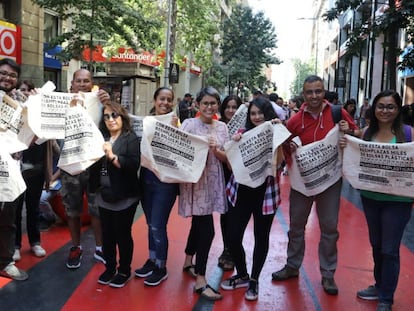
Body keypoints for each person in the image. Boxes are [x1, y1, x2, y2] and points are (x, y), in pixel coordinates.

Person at [271, 75, 358, 295]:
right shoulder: (296, 119)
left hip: (330, 181)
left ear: (324, 91)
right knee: (296, 226)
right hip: (303, 182)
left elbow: (357, 134)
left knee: (329, 228)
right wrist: (282, 136)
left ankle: (328, 274)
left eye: (318, 91)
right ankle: (292, 266)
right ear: (304, 94)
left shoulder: (338, 112)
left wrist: (348, 132)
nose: (314, 96)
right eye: (309, 92)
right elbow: (284, 140)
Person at [340, 90, 413, 311]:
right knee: (377, 245)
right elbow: (355, 156)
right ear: (374, 108)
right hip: (370, 198)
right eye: (381, 106)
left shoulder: (409, 134)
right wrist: (346, 145)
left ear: (398, 109)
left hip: (398, 202)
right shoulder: (365, 134)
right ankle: (379, 285)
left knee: (390, 249)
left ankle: (386, 298)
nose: (385, 111)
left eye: (390, 106)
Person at [220, 96, 283, 301]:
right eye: (253, 113)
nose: (256, 117)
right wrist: (235, 146)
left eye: (260, 113)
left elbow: (280, 164)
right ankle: (243, 274)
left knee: (261, 237)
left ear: (268, 114)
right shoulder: (241, 133)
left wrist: (278, 137)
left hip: (265, 194)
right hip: (241, 193)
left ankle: (254, 279)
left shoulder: (276, 131)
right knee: (232, 236)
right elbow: (230, 166)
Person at [180, 87, 229, 301]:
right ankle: (200, 279)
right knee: (206, 229)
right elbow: (180, 150)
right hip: (194, 182)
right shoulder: (189, 124)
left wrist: (216, 149)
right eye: (205, 103)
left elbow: (226, 158)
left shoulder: (222, 128)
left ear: (218, 105)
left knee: (198, 225)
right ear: (198, 105)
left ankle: (187, 261)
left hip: (213, 182)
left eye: (213, 103)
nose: (209, 107)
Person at [61, 68, 111, 269]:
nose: (82, 84)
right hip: (71, 164)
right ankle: (76, 247)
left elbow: (115, 125)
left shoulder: (101, 102)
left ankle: (100, 248)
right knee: (72, 208)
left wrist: (108, 103)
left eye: (86, 81)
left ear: (92, 84)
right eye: (78, 81)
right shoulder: (62, 103)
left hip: (95, 163)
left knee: (96, 208)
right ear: (72, 84)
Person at [134, 87, 179, 286]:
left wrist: (177, 131)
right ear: (154, 101)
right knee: (150, 223)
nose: (165, 103)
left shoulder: (178, 124)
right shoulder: (145, 123)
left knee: (157, 225)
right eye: (162, 99)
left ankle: (161, 266)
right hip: (146, 178)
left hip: (166, 183)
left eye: (169, 100)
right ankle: (152, 260)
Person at [96, 102, 141, 288]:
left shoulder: (130, 138)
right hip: (104, 195)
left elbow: (132, 166)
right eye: (106, 116)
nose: (111, 119)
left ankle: (124, 270)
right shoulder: (100, 137)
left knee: (122, 233)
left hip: (125, 196)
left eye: (114, 115)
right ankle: (109, 267)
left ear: (122, 117)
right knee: (107, 235)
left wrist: (112, 156)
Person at [0, 58, 28, 280]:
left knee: (8, 218)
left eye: (12, 75)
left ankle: (6, 262)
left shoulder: (23, 103)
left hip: (11, 168)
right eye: (3, 73)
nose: (7, 78)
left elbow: (32, 134)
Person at [216, 94, 243, 271]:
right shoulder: (217, 127)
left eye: (235, 107)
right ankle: (227, 249)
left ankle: (234, 250)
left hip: (240, 178)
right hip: (222, 176)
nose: (231, 110)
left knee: (236, 216)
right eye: (228, 107)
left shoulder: (246, 128)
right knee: (225, 214)